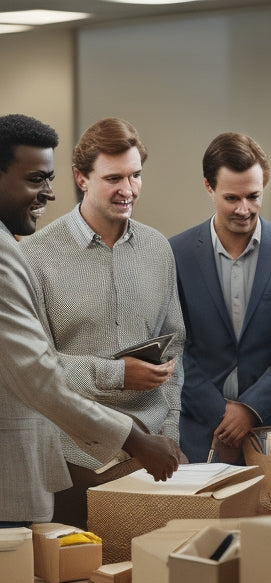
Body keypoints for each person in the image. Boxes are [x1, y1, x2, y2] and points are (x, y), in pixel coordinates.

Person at [0, 113, 179, 526]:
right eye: (114, 178)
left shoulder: (158, 249)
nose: (128, 189)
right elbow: (39, 371)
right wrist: (115, 375)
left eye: (135, 175)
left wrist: (167, 434)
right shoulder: (31, 254)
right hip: (73, 457)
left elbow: (177, 350)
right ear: (82, 178)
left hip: (151, 450)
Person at [170, 132, 271, 463]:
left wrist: (249, 410)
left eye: (253, 196)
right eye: (232, 198)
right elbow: (175, 346)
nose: (244, 209)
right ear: (209, 187)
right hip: (201, 429)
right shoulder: (175, 254)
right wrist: (221, 412)